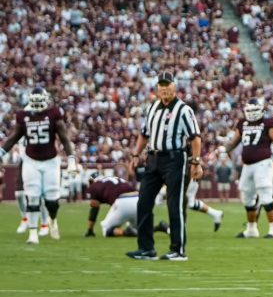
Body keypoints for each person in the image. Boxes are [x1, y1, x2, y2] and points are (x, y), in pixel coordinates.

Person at [126, 72, 204, 261]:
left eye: (167, 85)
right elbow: (144, 134)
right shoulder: (152, 107)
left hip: (174, 158)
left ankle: (178, 249)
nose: (164, 89)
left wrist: (196, 162)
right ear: (157, 88)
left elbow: (195, 138)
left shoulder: (184, 110)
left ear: (174, 87)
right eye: (161, 85)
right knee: (143, 202)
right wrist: (136, 155)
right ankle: (146, 248)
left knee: (174, 204)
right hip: (153, 158)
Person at [0, 87, 73, 244]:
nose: (38, 105)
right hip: (31, 161)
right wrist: (0, 153)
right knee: (32, 196)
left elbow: (64, 139)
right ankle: (33, 233)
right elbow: (13, 138)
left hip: (51, 161)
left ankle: (52, 220)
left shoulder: (53, 114)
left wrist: (71, 160)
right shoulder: (23, 116)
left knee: (52, 200)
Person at [224, 98, 273, 239]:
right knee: (247, 197)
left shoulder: (268, 122)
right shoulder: (242, 123)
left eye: (254, 110)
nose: (252, 114)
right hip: (247, 165)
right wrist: (224, 150)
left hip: (263, 163)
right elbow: (234, 142)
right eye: (249, 110)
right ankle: (251, 229)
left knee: (265, 195)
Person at [84, 172, 169, 238]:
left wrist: (90, 230)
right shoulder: (116, 179)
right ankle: (159, 227)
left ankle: (126, 232)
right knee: (140, 229)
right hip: (138, 198)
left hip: (123, 201)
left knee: (106, 229)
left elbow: (94, 207)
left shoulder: (96, 185)